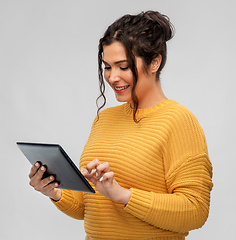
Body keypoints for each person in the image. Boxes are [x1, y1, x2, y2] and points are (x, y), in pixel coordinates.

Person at [28, 10, 213, 240]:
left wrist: (124, 195)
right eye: (107, 66)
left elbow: (196, 211)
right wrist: (54, 191)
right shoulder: (104, 119)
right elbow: (88, 208)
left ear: (154, 62)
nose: (112, 77)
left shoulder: (179, 121)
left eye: (123, 66)